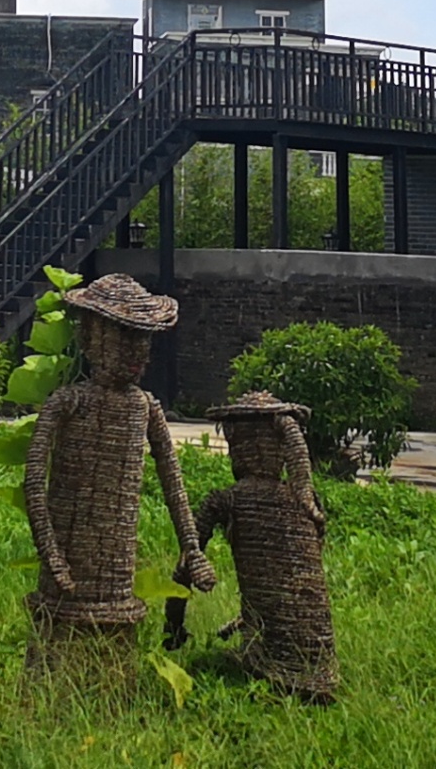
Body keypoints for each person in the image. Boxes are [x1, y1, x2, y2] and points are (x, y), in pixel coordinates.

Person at [20, 272, 214, 684]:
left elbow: (171, 479)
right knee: (56, 640)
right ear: (91, 338)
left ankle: (112, 694)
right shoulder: (68, 402)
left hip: (116, 567)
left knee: (111, 644)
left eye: (142, 339)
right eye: (123, 336)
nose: (136, 350)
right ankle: (44, 697)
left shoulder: (144, 407)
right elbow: (34, 481)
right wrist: (50, 552)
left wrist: (191, 548)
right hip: (68, 559)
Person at [191, 394, 339, 701]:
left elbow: (186, 562)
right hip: (321, 656)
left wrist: (173, 624)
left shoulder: (229, 500)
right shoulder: (304, 502)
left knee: (207, 665)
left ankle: (275, 669)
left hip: (269, 657)